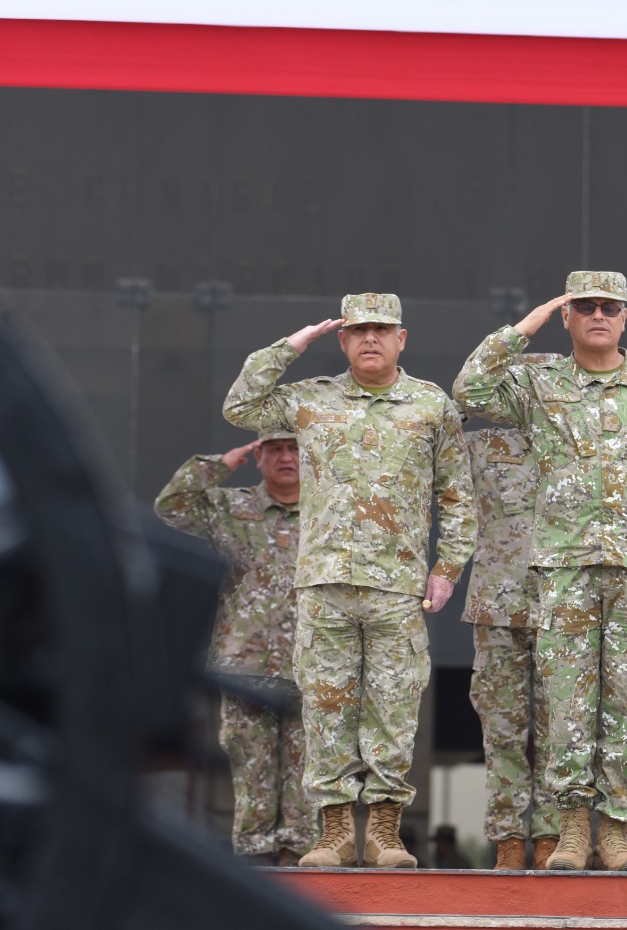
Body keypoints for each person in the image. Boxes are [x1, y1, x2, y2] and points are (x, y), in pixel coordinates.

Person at [453, 271, 627, 872]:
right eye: (585, 307)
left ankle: (615, 832)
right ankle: (570, 830)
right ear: (567, 317)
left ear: (625, 318)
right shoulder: (538, 382)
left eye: (610, 307)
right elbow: (469, 390)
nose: (599, 315)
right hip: (563, 567)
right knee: (566, 702)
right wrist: (527, 324)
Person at [223, 292, 477, 869]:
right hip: (326, 582)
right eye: (358, 329)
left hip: (397, 585)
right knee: (327, 706)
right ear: (342, 340)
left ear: (401, 338)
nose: (370, 339)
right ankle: (335, 832)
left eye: (382, 329)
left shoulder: (429, 405)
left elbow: (457, 494)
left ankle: (385, 832)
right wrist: (293, 345)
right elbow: (240, 407)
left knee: (393, 707)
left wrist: (448, 567)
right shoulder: (311, 400)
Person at [153, 421, 314, 865]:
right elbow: (172, 506)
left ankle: (299, 855)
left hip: (315, 665)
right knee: (252, 764)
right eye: (275, 449)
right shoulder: (231, 507)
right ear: (258, 457)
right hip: (247, 663)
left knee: (309, 770)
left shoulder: (330, 513)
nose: (286, 458)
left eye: (295, 449)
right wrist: (219, 465)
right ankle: (257, 855)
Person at [461, 402, 561, 871]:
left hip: (564, 604)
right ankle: (507, 837)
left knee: (560, 730)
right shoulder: (482, 444)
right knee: (502, 729)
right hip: (497, 605)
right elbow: (432, 430)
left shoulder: (579, 443)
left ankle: (550, 837)